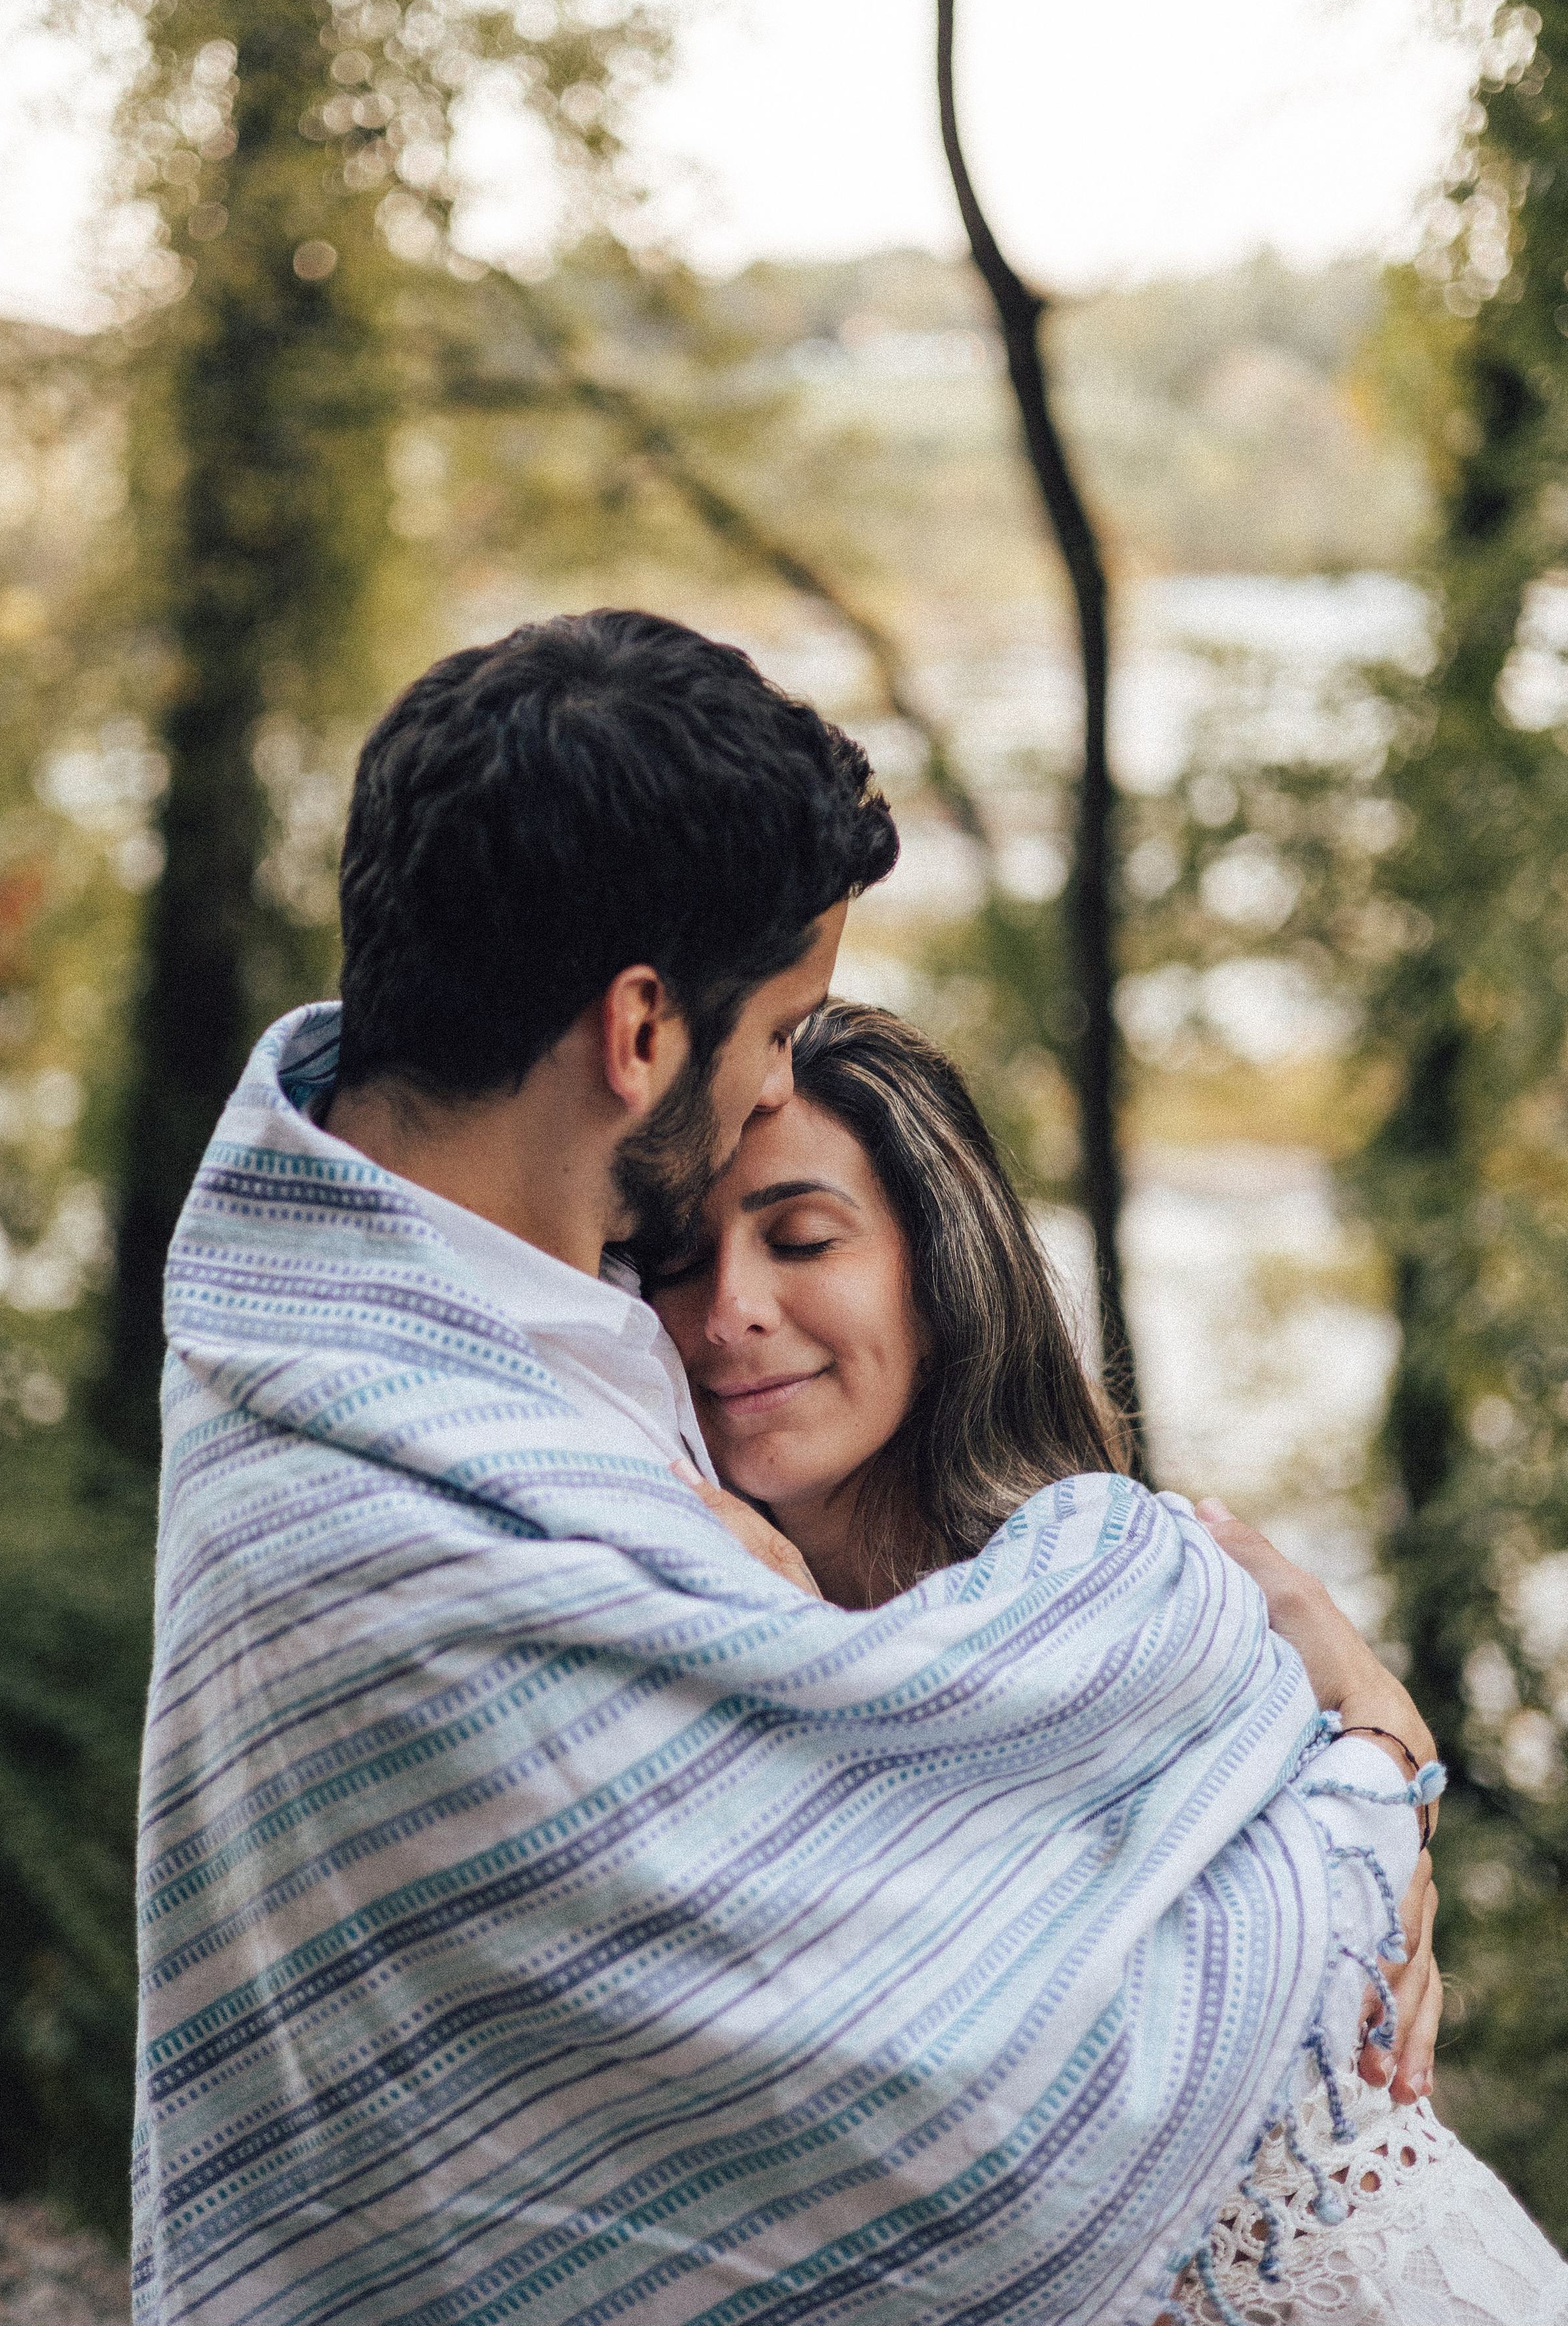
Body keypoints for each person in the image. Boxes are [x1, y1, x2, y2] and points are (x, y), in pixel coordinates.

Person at [137, 607, 1454, 2326]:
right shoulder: (389, 1472)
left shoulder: (428, 1324)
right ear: (638, 1031)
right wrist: (1351, 1787)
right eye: (780, 1026)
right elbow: (956, 2115)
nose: (775, 1084)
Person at [647, 998, 1568, 2324]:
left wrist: (1380, 1764)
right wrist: (1380, 1762)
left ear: (937, 1269)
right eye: (678, 1259)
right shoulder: (666, 1657)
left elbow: (1282, 1948)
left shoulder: (1123, 1585)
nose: (728, 1308)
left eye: (801, 1239)